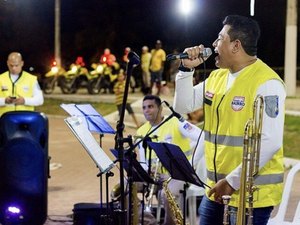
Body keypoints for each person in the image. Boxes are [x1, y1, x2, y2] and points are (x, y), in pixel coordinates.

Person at [173, 15, 286, 225]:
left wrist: (232, 182)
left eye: (219, 38)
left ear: (236, 45)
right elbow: (182, 107)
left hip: (250, 196)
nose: (213, 45)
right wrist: (186, 70)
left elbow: (270, 142)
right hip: (216, 189)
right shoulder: (217, 77)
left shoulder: (267, 83)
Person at [135, 94, 205, 225]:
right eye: (144, 107)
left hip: (177, 175)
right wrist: (146, 170)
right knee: (125, 186)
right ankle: (148, 221)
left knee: (167, 194)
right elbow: (143, 160)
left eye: (150, 107)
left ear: (160, 108)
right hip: (154, 176)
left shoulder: (176, 122)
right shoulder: (141, 131)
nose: (146, 110)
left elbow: (203, 137)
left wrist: (188, 166)